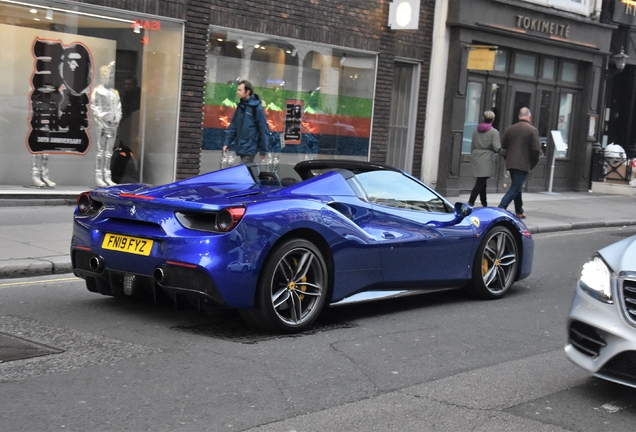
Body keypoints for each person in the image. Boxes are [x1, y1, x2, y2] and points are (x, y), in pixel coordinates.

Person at [498, 107, 541, 219]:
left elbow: (502, 145)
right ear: (529, 116)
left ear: (519, 116)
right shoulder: (532, 130)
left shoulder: (510, 129)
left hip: (511, 162)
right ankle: (501, 207)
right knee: (516, 187)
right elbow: (536, 149)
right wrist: (532, 163)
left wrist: (508, 156)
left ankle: (519, 210)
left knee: (517, 186)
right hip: (523, 164)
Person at [222, 80, 269, 164]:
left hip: (250, 147)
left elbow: (263, 130)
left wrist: (263, 150)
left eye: (240, 90)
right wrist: (227, 143)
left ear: (247, 92)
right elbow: (233, 126)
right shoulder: (240, 107)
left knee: (242, 170)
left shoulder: (257, 108)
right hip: (241, 146)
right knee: (247, 172)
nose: (237, 92)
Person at [91, 61, 122, 187]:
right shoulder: (98, 91)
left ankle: (107, 174)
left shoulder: (115, 93)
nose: (109, 79)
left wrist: (117, 118)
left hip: (113, 125)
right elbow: (94, 107)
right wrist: (104, 117)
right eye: (107, 76)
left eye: (111, 77)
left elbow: (119, 107)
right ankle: (99, 175)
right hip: (102, 124)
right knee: (100, 151)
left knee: (109, 151)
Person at [468, 110, 501, 207]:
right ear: (493, 120)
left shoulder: (475, 131)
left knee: (482, 180)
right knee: (480, 182)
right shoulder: (494, 132)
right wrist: (504, 152)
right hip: (486, 158)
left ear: (483, 118)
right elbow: (497, 147)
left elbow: (472, 145)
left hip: (476, 157)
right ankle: (471, 202)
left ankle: (484, 203)